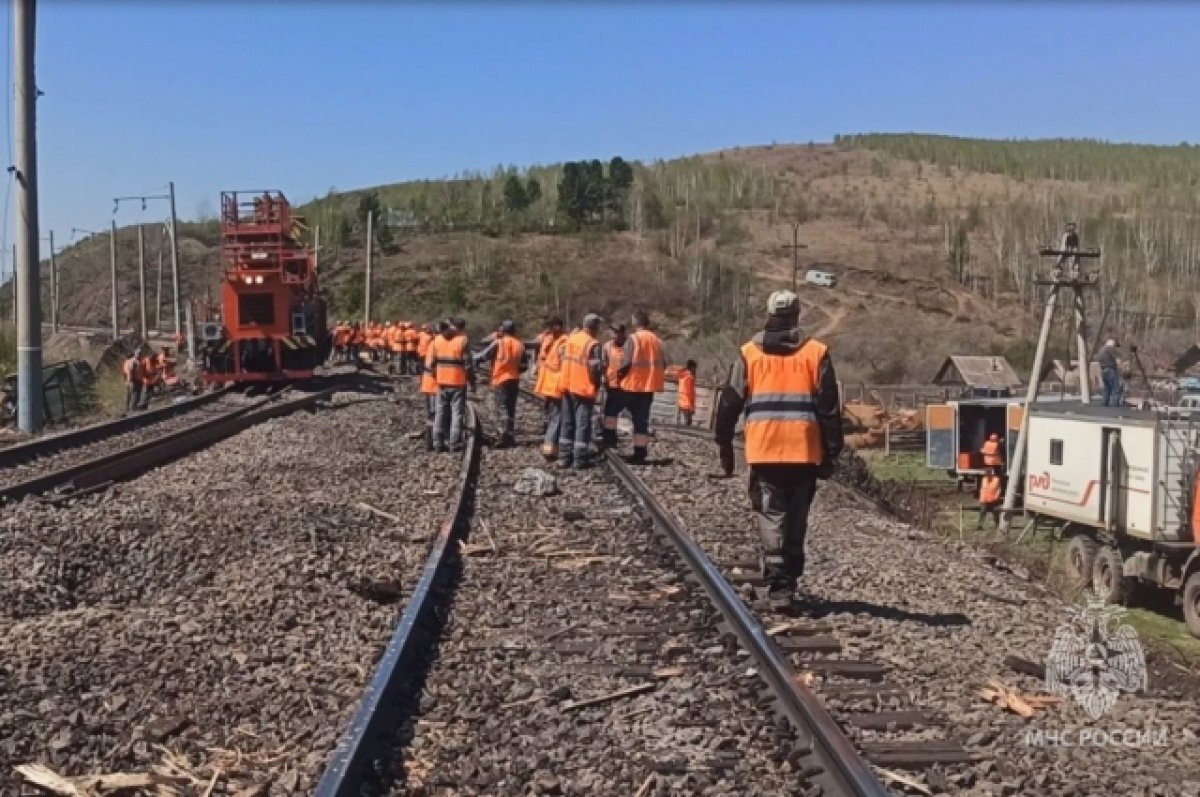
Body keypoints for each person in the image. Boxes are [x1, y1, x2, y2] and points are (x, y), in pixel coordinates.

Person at [714, 290, 844, 609]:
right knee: (797, 517)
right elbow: (829, 409)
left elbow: (729, 402)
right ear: (798, 314)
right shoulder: (816, 353)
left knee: (772, 515)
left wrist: (724, 445)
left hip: (764, 451)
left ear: (768, 314)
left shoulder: (749, 354)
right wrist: (832, 452)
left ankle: (778, 585)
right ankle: (790, 579)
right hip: (804, 452)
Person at [617, 310, 666, 464]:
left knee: (614, 410)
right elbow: (664, 363)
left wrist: (619, 376)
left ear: (635, 322)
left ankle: (609, 441)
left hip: (633, 384)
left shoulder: (634, 339)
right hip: (649, 386)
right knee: (641, 421)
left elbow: (626, 362)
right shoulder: (657, 341)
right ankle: (640, 452)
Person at [558, 314, 604, 469]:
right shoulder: (593, 344)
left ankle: (564, 457)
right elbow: (595, 369)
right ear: (595, 327)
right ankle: (579, 459)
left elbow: (561, 355)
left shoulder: (572, 339)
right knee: (582, 425)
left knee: (567, 422)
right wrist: (597, 384)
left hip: (567, 385)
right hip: (583, 388)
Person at [475, 319, 526, 447]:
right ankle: (510, 435)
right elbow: (524, 365)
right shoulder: (520, 345)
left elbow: (483, 356)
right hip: (514, 378)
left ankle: (503, 435)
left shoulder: (499, 343)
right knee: (511, 408)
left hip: (500, 379)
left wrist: (471, 359)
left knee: (501, 408)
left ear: (503, 330)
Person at [428, 317, 475, 452]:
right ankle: (454, 443)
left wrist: (435, 376)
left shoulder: (437, 340)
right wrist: (472, 382)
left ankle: (437, 443)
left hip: (441, 382)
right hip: (458, 382)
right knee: (457, 413)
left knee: (440, 413)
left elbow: (432, 363)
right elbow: (468, 365)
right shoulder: (462, 341)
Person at [534, 317, 567, 461]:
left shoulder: (553, 341)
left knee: (553, 417)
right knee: (557, 418)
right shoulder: (559, 341)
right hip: (554, 385)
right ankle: (550, 448)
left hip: (550, 385)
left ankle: (552, 446)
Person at [600, 324, 628, 449]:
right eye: (612, 332)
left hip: (627, 386)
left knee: (627, 414)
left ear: (622, 333)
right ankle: (609, 438)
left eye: (616, 332)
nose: (614, 335)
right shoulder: (607, 346)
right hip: (611, 385)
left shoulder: (629, 346)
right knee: (610, 414)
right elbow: (603, 364)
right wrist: (603, 378)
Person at [419, 322, 443, 451]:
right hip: (435, 384)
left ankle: (430, 441)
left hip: (428, 384)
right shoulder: (438, 344)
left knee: (431, 414)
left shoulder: (432, 344)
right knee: (436, 414)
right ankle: (435, 441)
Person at [1098, 339, 1123, 407]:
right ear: (1113, 344)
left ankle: (1104, 403)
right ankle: (1115, 404)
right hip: (1111, 370)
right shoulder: (1110, 349)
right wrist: (1121, 367)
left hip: (1103, 371)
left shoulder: (1101, 350)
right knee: (1116, 388)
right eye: (1115, 346)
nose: (1115, 348)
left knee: (1107, 388)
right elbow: (1118, 360)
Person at [678, 359, 697, 426]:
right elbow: (689, 393)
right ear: (692, 368)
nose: (695, 370)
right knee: (688, 424)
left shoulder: (682, 376)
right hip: (687, 403)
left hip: (681, 401)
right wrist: (692, 407)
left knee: (683, 422)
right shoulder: (689, 378)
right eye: (694, 368)